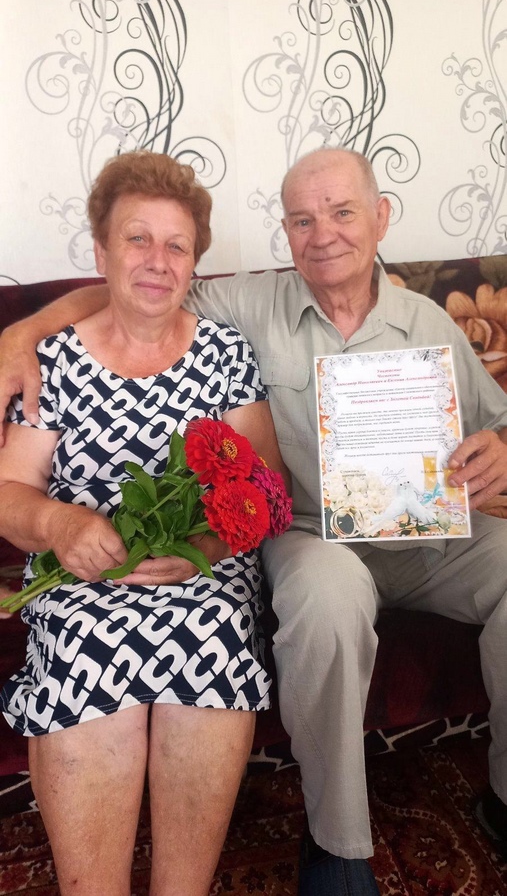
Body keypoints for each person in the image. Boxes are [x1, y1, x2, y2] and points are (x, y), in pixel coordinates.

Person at [2, 147, 507, 895]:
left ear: (380, 218)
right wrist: (20, 335)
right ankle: (336, 846)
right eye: (302, 219)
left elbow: (495, 425)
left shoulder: (425, 321)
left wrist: (500, 451)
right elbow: (136, 290)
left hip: (421, 534)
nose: (323, 234)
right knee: (319, 599)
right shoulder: (244, 306)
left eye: (342, 213)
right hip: (303, 537)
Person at [0, 150, 290, 896]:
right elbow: (9, 492)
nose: (157, 260)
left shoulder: (225, 354)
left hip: (203, 578)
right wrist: (58, 524)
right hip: (82, 577)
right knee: (86, 648)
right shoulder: (53, 361)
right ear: (101, 253)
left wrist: (206, 543)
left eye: (176, 245)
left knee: (213, 644)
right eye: (137, 239)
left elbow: (266, 486)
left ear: (193, 262)